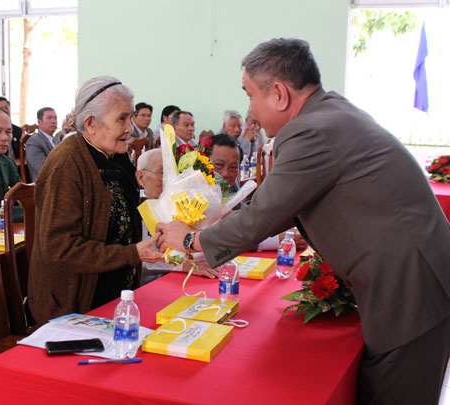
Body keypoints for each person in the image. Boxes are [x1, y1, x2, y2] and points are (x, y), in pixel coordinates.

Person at [157, 38, 450, 404]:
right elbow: (282, 208)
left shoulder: (309, 131)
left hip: (407, 289)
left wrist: (190, 241)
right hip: (416, 277)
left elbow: (261, 216)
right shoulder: (331, 111)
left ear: (278, 94)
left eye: (250, 96)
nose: (250, 112)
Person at [28, 75, 162, 323]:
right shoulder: (67, 165)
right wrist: (131, 254)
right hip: (74, 306)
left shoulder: (114, 156)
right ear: (91, 124)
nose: (130, 127)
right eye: (122, 118)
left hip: (118, 297)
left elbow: (121, 215)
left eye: (130, 117)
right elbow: (60, 250)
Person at [136, 149, 219, 285]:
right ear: (141, 177)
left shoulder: (183, 203)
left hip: (184, 277)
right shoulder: (136, 206)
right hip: (151, 285)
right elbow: (141, 258)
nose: (169, 179)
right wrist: (182, 265)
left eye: (173, 173)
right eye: (162, 172)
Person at [25, 107, 59, 181]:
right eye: (49, 118)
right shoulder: (33, 142)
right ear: (39, 122)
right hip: (45, 186)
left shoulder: (57, 141)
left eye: (55, 118)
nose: (53, 121)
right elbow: (43, 170)